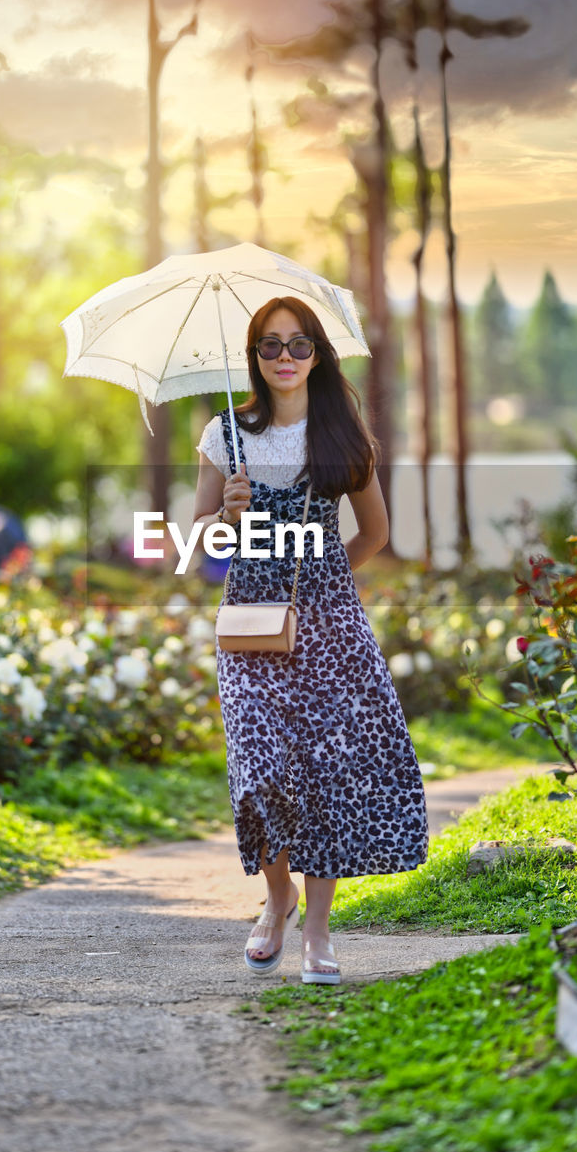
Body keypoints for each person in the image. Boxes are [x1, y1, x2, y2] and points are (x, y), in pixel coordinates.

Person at [193, 296, 429, 985]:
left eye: (298, 345)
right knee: (259, 771)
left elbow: (375, 534)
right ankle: (277, 899)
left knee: (324, 774)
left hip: (329, 627)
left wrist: (318, 579)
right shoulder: (224, 435)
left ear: (318, 354)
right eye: (269, 346)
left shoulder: (339, 431)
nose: (285, 358)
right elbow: (200, 538)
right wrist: (226, 517)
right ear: (253, 357)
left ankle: (318, 935)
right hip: (247, 626)